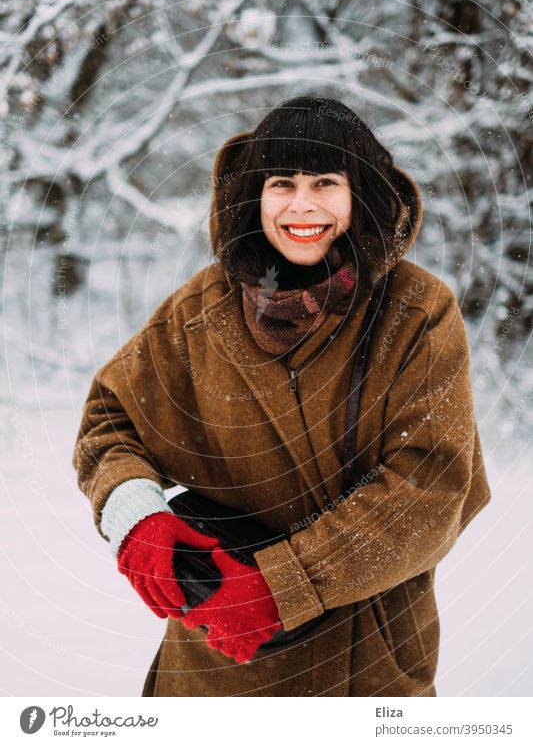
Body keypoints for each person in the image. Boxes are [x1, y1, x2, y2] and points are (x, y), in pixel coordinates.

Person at [72, 94, 491, 697]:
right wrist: (137, 515)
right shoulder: (203, 307)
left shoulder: (416, 311)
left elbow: (430, 486)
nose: (302, 204)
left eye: (326, 182)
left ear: (360, 195)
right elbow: (110, 421)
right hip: (213, 658)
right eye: (281, 183)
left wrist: (285, 585)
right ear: (255, 196)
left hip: (364, 664)